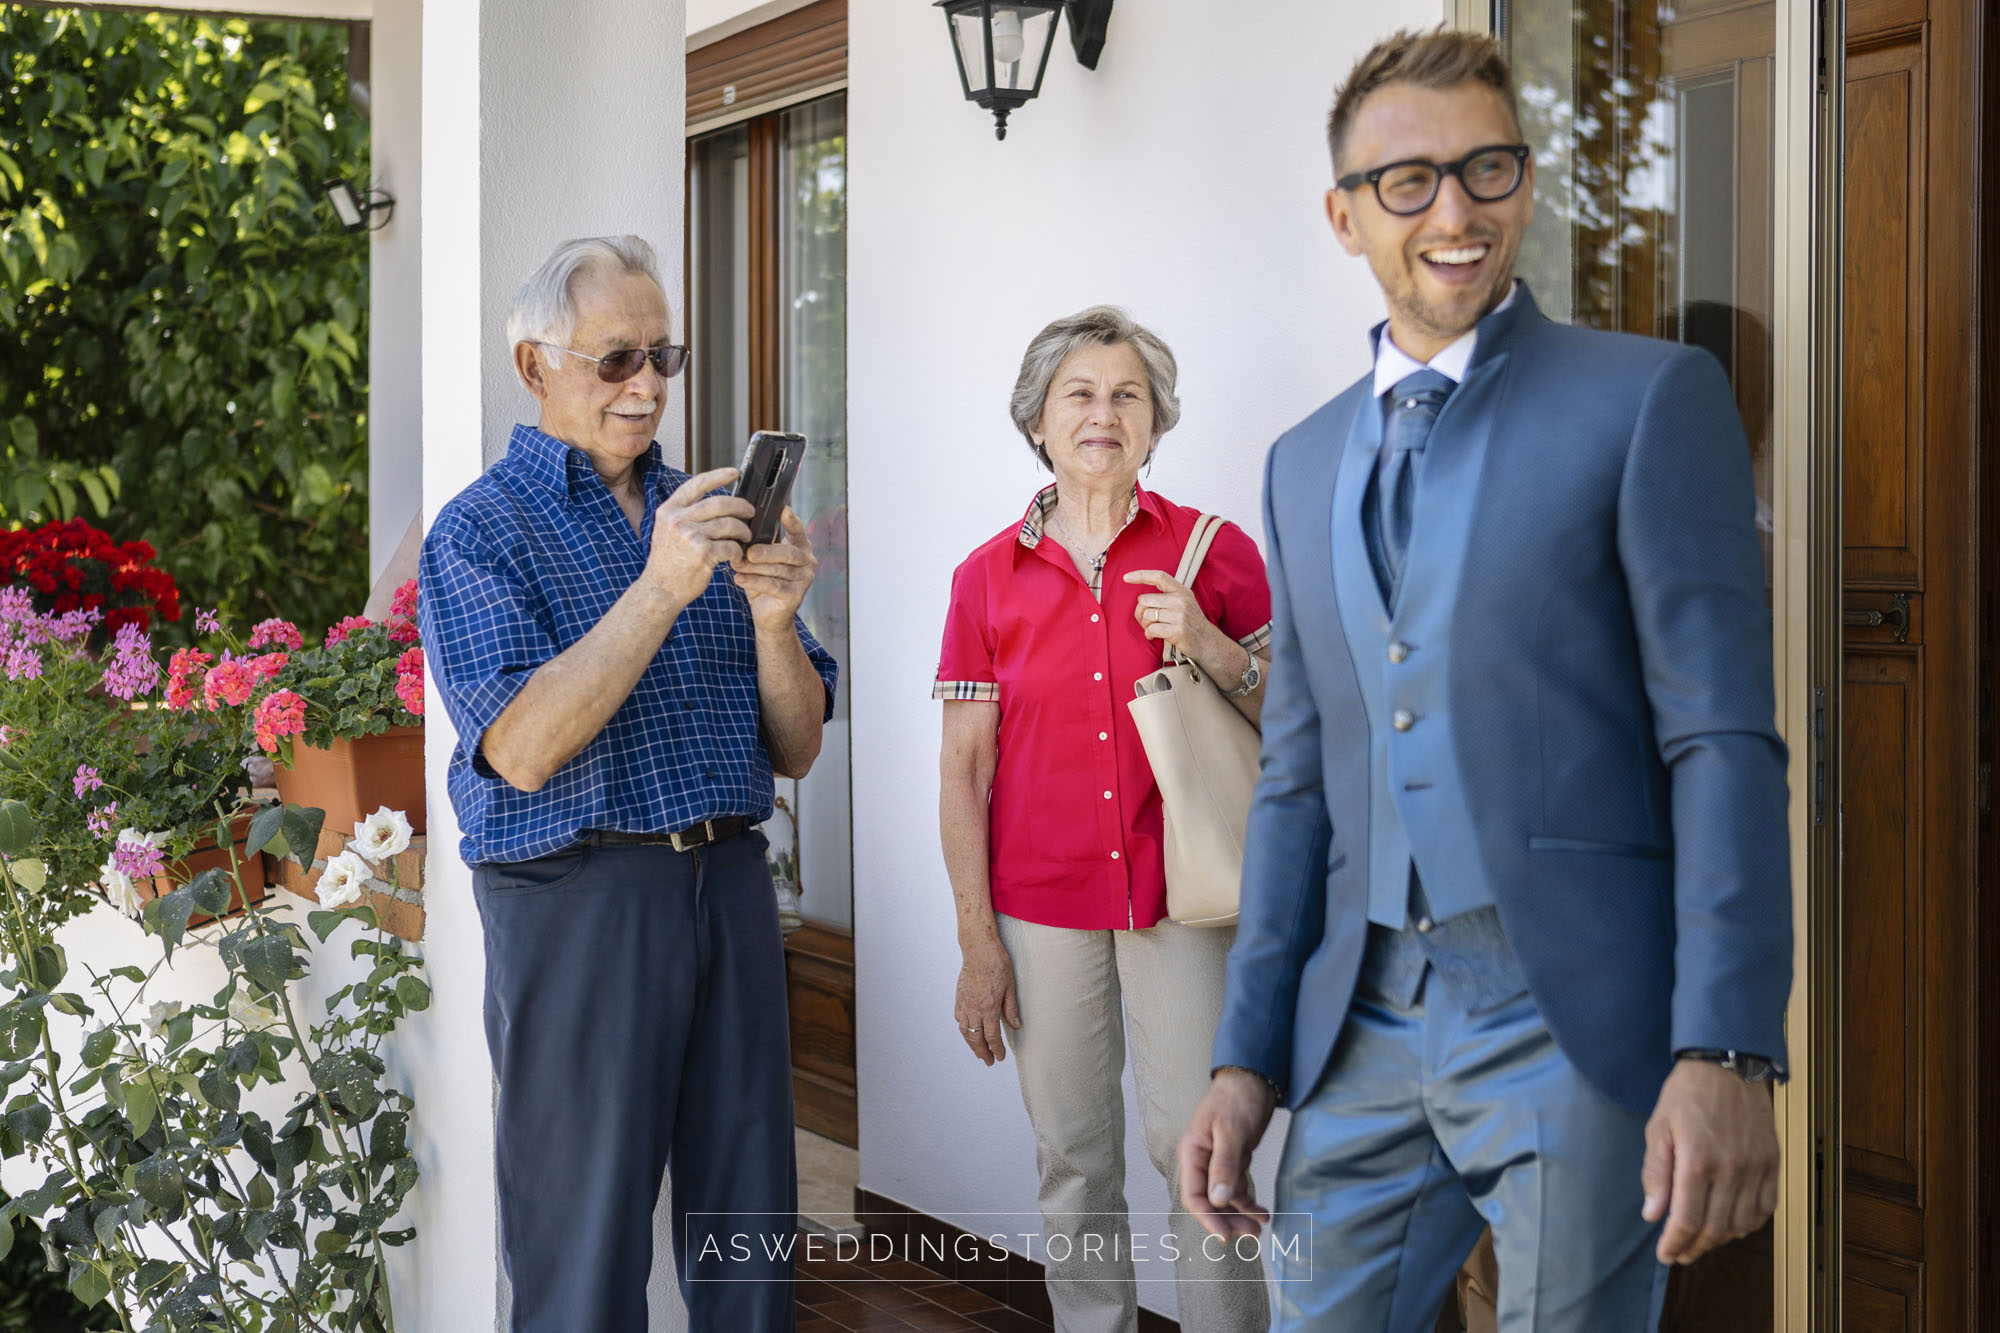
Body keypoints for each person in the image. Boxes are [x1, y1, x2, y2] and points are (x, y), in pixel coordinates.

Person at [1178, 30, 1791, 1331]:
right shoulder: (1301, 460)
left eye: (1487, 169)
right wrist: (1246, 1056)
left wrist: (1726, 1044)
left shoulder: (1647, 400)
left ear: (1524, 182)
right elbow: (1299, 782)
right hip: (1359, 1023)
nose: (1454, 212)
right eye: (1407, 181)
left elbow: (1723, 741)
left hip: (1568, 1018)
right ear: (1344, 217)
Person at [419, 235, 837, 1333]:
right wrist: (659, 584)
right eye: (615, 359)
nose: (647, 383)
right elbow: (518, 748)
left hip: (730, 884)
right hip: (578, 899)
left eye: (664, 354)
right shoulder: (478, 531)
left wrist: (773, 625)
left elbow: (797, 747)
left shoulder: (708, 509)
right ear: (534, 365)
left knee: (750, 1235)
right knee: (583, 1248)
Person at [936, 306, 1273, 1333]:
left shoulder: (1214, 552)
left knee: (1201, 1153)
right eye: (1078, 393)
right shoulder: (984, 576)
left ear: (1156, 423)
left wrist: (1211, 645)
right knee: (1072, 1156)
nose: (1102, 413)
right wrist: (975, 939)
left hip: (1186, 899)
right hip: (1039, 906)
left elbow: (1302, 721)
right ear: (1036, 420)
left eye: (1127, 394)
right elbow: (961, 769)